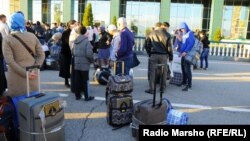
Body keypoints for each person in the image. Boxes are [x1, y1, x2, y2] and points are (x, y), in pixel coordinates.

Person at [2, 11, 45, 97]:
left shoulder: (7, 39)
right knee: (32, 104)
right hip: (33, 74)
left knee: (17, 104)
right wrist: (35, 68)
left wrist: (25, 73)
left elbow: (10, 61)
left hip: (16, 76)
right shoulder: (32, 36)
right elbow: (41, 55)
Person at [144, 22, 173, 94]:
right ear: (161, 26)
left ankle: (152, 89)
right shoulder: (167, 34)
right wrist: (170, 56)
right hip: (163, 55)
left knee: (152, 72)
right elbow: (169, 47)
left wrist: (149, 53)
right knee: (163, 72)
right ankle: (162, 89)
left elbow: (147, 45)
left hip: (153, 55)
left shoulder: (151, 33)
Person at [72, 26, 95, 101]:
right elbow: (89, 54)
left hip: (77, 62)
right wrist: (91, 60)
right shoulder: (86, 41)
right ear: (85, 32)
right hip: (84, 64)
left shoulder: (75, 41)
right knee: (85, 81)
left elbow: (73, 52)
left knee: (77, 80)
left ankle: (77, 95)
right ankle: (86, 96)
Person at [178, 22, 195, 91]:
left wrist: (185, 51)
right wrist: (181, 52)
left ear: (186, 27)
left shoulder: (190, 33)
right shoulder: (184, 34)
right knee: (183, 69)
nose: (182, 30)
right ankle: (184, 82)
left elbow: (191, 43)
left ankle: (189, 85)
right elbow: (183, 44)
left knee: (187, 70)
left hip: (187, 54)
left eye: (183, 28)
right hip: (183, 54)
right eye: (181, 29)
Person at [59, 20, 76, 87]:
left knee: (72, 68)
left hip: (72, 52)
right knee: (66, 67)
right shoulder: (66, 32)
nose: (76, 25)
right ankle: (66, 82)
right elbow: (67, 42)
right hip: (66, 52)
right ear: (70, 25)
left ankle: (72, 81)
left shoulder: (74, 32)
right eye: (74, 24)